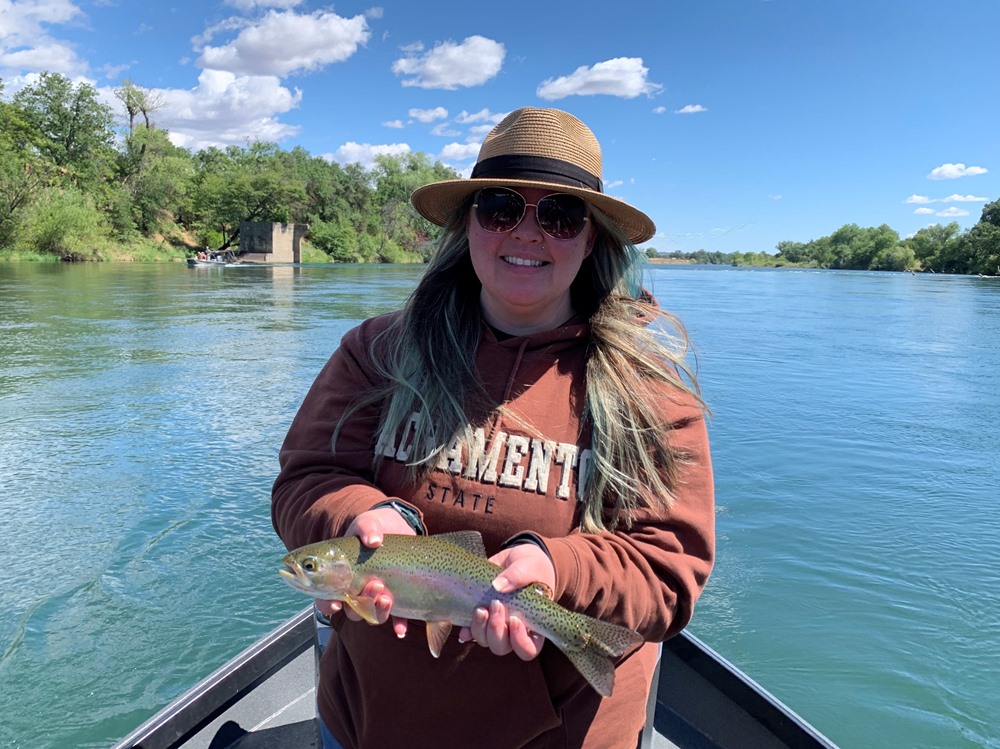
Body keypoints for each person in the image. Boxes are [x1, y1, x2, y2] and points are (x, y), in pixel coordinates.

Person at [272, 106, 715, 749]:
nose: (529, 234)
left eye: (560, 216)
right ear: (469, 225)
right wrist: (356, 513)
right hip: (370, 724)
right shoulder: (378, 351)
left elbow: (668, 571)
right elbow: (307, 478)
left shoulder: (648, 387)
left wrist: (557, 569)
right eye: (503, 207)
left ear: (592, 239)